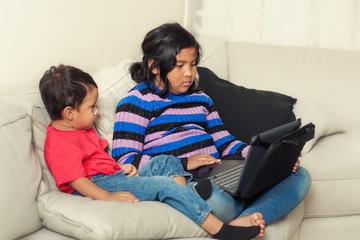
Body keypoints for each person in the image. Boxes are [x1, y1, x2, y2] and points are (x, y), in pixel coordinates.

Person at [111, 22, 311, 229]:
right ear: (154, 66)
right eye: (180, 66)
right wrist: (184, 163)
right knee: (215, 200)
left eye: (193, 63)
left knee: (299, 176)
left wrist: (265, 156)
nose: (189, 73)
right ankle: (250, 210)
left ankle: (244, 219)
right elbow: (125, 161)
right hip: (188, 181)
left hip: (218, 172)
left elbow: (225, 143)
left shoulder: (201, 99)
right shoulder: (135, 102)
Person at [39, 64, 264, 240]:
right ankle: (221, 230)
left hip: (114, 175)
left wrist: (119, 167)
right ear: (69, 113)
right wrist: (107, 197)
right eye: (92, 106)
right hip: (100, 185)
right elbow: (78, 180)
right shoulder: (59, 142)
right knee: (163, 185)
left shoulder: (81, 128)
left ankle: (187, 194)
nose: (97, 112)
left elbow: (97, 160)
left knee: (165, 161)